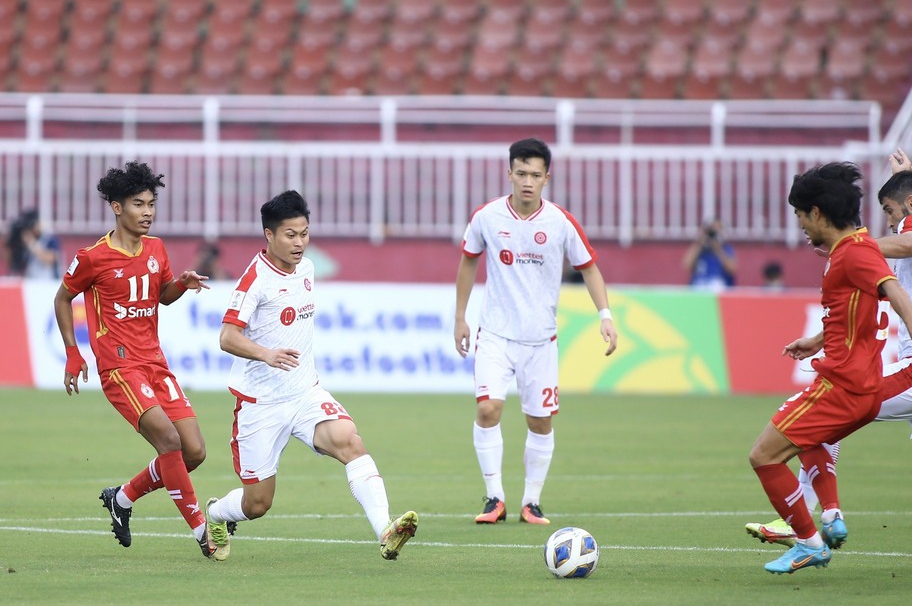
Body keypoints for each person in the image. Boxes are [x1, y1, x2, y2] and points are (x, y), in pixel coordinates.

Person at [746, 149, 912, 577]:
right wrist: (818, 337)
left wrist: (850, 241)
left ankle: (804, 520)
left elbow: (907, 244)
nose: (888, 221)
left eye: (891, 211)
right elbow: (861, 297)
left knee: (825, 412)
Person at [204, 189, 418, 561]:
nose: (299, 242)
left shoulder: (307, 268)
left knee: (350, 441)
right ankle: (216, 514)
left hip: (305, 393)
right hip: (261, 404)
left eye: (304, 233)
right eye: (290, 234)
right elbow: (227, 336)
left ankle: (385, 529)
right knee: (258, 504)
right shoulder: (255, 279)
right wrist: (265, 353)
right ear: (269, 235)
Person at [53, 161, 219, 558]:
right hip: (120, 367)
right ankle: (202, 533)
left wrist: (181, 283)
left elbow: (161, 295)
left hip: (155, 363)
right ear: (116, 207)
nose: (147, 212)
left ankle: (122, 499)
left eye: (151, 203)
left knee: (194, 452)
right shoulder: (92, 257)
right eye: (138, 204)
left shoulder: (156, 249)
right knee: (169, 440)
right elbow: (62, 298)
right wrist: (73, 354)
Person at [453, 138, 618, 526]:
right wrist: (460, 317)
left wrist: (605, 314)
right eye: (521, 173)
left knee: (540, 422)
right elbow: (467, 262)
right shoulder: (487, 217)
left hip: (540, 340)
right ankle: (495, 497)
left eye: (535, 175)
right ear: (509, 173)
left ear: (547, 177)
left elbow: (589, 267)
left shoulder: (560, 221)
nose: (528, 181)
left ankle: (532, 502)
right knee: (487, 408)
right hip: (494, 334)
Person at [5, 208, 61, 278]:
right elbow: (15, 262)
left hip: (50, 284)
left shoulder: (50, 239)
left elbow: (49, 259)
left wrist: (31, 243)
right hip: (31, 283)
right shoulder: (25, 240)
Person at [682, 220, 736, 290]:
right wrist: (700, 242)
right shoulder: (700, 248)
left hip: (719, 285)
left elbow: (731, 269)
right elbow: (687, 264)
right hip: (699, 284)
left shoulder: (726, 248)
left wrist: (718, 250)